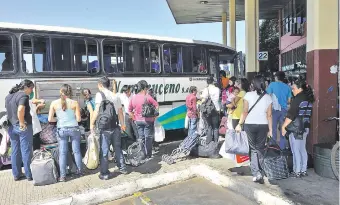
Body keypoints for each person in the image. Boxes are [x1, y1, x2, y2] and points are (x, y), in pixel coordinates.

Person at [236, 75, 272, 184]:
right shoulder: (268, 97)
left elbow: (245, 111)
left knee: (253, 148)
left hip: (250, 125)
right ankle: (261, 169)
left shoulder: (248, 95)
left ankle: (256, 173)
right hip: (263, 125)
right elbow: (269, 115)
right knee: (260, 148)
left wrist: (239, 124)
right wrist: (271, 130)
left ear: (253, 84)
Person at [90, 77, 127, 180]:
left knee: (105, 150)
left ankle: (105, 173)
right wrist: (123, 125)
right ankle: (123, 168)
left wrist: (91, 123)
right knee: (117, 148)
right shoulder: (115, 96)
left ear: (100, 85)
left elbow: (97, 110)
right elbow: (120, 112)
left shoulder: (99, 94)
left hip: (104, 128)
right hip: (115, 127)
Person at [48, 84, 82, 182]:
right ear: (70, 92)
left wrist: (58, 119)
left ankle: (62, 176)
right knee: (76, 151)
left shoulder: (54, 103)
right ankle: (79, 171)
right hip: (74, 129)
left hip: (61, 129)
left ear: (60, 92)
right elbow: (79, 119)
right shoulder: (74, 103)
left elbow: (50, 119)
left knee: (62, 153)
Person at [282, 79, 314, 178]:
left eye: (293, 88)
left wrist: (284, 127)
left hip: (296, 128)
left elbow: (291, 115)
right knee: (302, 149)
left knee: (296, 150)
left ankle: (297, 171)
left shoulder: (297, 99)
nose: (292, 90)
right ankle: (303, 170)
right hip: (305, 127)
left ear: (300, 88)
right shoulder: (308, 98)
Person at [5, 80, 35, 181]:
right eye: (31, 88)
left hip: (11, 127)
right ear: (26, 87)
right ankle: (29, 174)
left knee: (15, 150)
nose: (31, 91)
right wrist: (22, 122)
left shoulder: (9, 96)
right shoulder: (23, 96)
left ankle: (16, 174)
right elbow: (20, 109)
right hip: (22, 127)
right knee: (26, 150)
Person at [128, 80, 159, 159]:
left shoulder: (133, 97)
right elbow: (156, 105)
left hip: (138, 121)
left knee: (141, 138)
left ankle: (142, 154)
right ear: (145, 88)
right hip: (148, 121)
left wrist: (134, 118)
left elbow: (129, 111)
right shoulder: (147, 97)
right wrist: (155, 116)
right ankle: (148, 155)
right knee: (148, 138)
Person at [266, 71, 292, 149]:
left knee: (272, 128)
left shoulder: (272, 85)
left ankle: (273, 147)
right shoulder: (287, 87)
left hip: (273, 109)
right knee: (283, 128)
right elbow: (289, 101)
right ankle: (282, 147)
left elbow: (268, 97)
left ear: (276, 77)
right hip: (284, 110)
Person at [201, 76, 220, 143]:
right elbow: (217, 99)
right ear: (213, 81)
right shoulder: (217, 89)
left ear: (207, 82)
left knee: (209, 126)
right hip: (215, 109)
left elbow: (203, 100)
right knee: (215, 127)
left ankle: (208, 143)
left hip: (208, 110)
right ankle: (216, 142)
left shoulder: (206, 89)